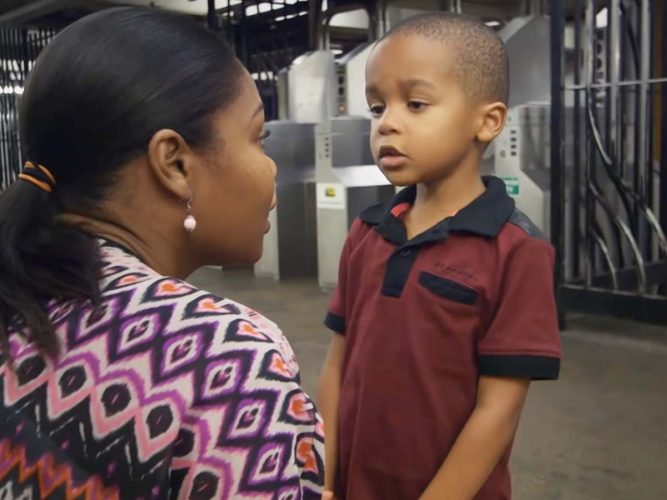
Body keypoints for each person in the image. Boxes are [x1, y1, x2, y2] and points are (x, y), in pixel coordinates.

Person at [0, 7, 323, 499]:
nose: (272, 168)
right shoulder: (224, 359)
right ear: (173, 162)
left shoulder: (20, 299)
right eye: (259, 137)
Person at [318, 12, 561, 500]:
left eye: (415, 103)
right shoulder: (367, 233)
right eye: (376, 107)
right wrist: (321, 479)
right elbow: (336, 367)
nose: (387, 123)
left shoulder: (517, 251)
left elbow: (498, 411)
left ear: (487, 121)